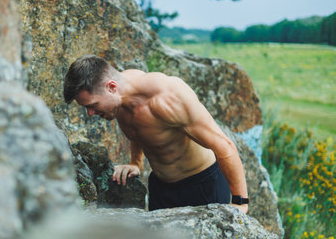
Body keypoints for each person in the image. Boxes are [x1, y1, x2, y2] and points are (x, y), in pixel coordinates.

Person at [63, 55, 249, 213]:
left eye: (92, 106)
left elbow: (224, 146)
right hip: (161, 188)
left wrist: (240, 203)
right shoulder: (120, 98)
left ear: (111, 87)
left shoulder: (168, 98)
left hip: (202, 185)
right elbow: (138, 129)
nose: (90, 114)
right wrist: (136, 163)